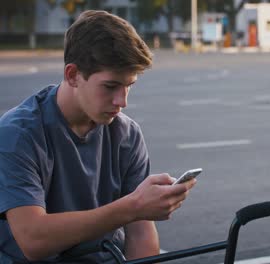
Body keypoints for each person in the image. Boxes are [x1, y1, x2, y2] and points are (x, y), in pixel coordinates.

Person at [0, 10, 196, 263]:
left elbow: (141, 235)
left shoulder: (127, 133)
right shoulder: (17, 135)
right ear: (72, 75)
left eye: (129, 86)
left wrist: (138, 210)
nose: (122, 101)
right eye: (110, 86)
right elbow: (33, 239)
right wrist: (133, 207)